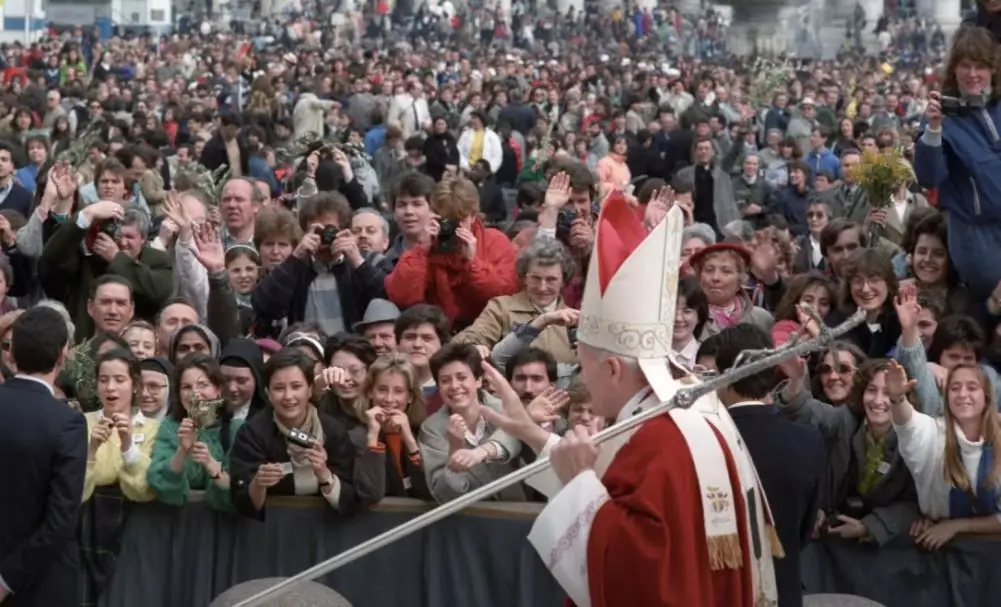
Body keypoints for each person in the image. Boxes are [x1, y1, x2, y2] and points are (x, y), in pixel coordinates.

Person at [482, 194, 778, 606]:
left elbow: (636, 565)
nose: (580, 378)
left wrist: (578, 482)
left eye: (584, 366)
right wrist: (533, 434)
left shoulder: (659, 438)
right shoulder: (674, 412)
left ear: (613, 369)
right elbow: (610, 483)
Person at [714, 324, 825, 607]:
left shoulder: (706, 443)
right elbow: (804, 531)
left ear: (724, 377)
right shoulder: (808, 442)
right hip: (783, 591)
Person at [0, 306, 86, 607]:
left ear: (11, 353)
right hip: (43, 586)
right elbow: (61, 520)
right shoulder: (67, 422)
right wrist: (5, 580)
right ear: (64, 355)